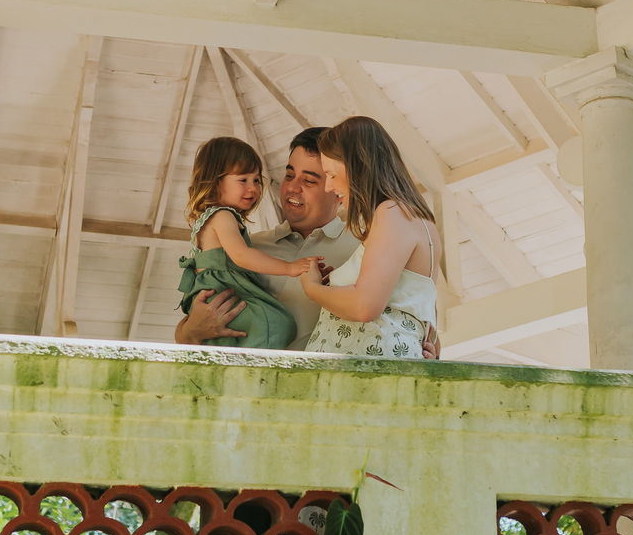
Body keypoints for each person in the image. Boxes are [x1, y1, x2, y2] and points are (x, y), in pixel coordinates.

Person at [174, 129, 441, 357]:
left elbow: (419, 319)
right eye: (289, 175)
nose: (293, 187)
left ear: (335, 188)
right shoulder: (246, 249)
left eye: (310, 180)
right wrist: (190, 330)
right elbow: (189, 327)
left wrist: (431, 349)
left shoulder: (368, 245)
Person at [297, 116, 440, 359]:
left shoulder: (393, 213)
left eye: (331, 174)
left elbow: (364, 306)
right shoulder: (419, 222)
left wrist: (312, 289)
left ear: (357, 166)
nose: (328, 187)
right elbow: (426, 324)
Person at [178, 137, 313, 350]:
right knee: (275, 323)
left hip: (219, 292)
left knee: (276, 323)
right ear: (215, 182)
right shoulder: (222, 216)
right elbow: (241, 255)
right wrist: (288, 267)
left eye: (257, 180)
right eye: (243, 180)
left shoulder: (216, 216)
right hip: (222, 292)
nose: (253, 188)